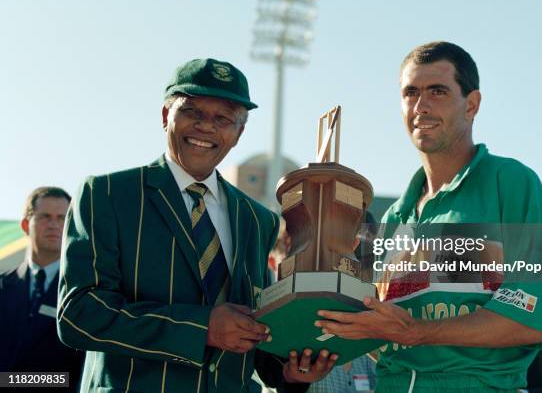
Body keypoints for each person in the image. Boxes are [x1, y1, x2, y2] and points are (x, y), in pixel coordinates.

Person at [57, 58, 336, 392]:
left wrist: (289, 373)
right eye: (192, 112)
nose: (206, 127)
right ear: (165, 117)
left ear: (238, 133)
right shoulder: (107, 195)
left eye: (223, 118)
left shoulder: (257, 219)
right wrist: (201, 328)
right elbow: (79, 314)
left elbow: (256, 327)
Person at [316, 41, 542, 392]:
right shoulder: (393, 216)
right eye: (410, 93)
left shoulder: (514, 183)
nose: (421, 106)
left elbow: (537, 317)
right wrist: (327, 344)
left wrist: (418, 333)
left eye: (438, 92)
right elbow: (387, 334)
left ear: (472, 104)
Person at [0, 187, 84, 391]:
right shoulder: (2, 285)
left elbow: (78, 373)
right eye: (45, 217)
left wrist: (11, 380)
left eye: (62, 218)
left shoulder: (83, 292)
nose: (54, 225)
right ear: (26, 225)